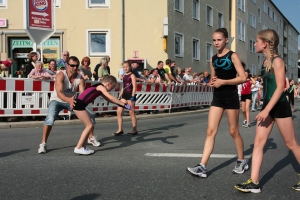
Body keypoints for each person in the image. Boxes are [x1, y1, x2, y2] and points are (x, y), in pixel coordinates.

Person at [234, 29, 300, 193]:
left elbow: (279, 89)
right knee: (258, 143)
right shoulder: (264, 63)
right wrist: (264, 107)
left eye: (256, 41)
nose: (254, 44)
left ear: (266, 43)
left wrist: (266, 110)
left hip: (280, 106)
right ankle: (254, 182)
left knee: (291, 144)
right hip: (268, 106)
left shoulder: (278, 61)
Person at [186, 28, 248, 178]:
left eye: (219, 39)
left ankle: (241, 161)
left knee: (233, 131)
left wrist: (224, 82)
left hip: (231, 96)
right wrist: (212, 82)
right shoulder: (213, 59)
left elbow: (242, 78)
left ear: (226, 40)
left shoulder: (233, 56)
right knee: (210, 131)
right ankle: (202, 166)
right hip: (217, 97)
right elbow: (214, 78)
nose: (216, 43)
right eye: (214, 40)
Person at [73, 75, 131, 155]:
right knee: (89, 125)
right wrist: (125, 105)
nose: (111, 89)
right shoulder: (101, 87)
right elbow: (110, 97)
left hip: (79, 104)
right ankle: (79, 147)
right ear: (108, 84)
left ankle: (83, 147)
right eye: (112, 87)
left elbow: (108, 99)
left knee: (90, 125)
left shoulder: (99, 88)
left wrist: (120, 104)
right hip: (79, 105)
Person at [38, 56, 85, 154]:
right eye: (72, 65)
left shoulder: (80, 78)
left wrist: (80, 102)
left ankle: (90, 137)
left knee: (89, 116)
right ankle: (43, 143)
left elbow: (82, 94)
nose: (75, 68)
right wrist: (69, 100)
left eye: (76, 66)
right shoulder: (61, 75)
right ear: (67, 65)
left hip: (71, 101)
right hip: (57, 100)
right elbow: (59, 92)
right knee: (50, 118)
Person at [114, 61, 138, 136]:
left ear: (130, 67)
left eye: (127, 66)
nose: (125, 68)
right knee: (119, 112)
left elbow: (134, 86)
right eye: (124, 67)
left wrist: (132, 96)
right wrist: (119, 96)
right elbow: (123, 87)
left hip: (130, 96)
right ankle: (120, 129)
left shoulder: (132, 75)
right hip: (124, 97)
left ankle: (134, 129)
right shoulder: (124, 76)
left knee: (131, 112)